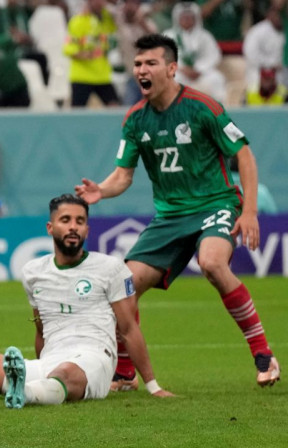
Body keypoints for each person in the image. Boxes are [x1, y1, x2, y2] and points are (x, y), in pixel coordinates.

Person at [75, 34, 280, 390]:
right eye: (137, 64)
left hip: (216, 204)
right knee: (123, 286)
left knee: (213, 263)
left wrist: (248, 211)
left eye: (150, 63)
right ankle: (124, 374)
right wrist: (101, 191)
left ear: (171, 69)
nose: (142, 70)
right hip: (169, 217)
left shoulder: (203, 107)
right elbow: (123, 175)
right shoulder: (135, 119)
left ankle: (263, 354)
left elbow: (243, 153)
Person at [0, 194, 173, 409]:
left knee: (65, 373)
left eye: (80, 221)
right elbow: (41, 331)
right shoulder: (33, 272)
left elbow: (128, 329)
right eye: (65, 220)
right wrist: (40, 365)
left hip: (93, 360)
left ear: (87, 230)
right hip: (50, 361)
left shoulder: (110, 268)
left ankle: (27, 393)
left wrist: (153, 386)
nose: (73, 226)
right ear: (50, 227)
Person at [163, 2, 227, 101]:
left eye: (190, 17)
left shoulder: (205, 36)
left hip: (201, 73)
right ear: (177, 18)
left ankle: (219, 111)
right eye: (184, 17)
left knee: (217, 78)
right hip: (179, 72)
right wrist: (182, 69)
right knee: (169, 80)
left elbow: (213, 56)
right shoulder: (168, 36)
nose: (187, 20)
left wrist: (199, 69)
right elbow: (164, 57)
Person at [63, 0, 120, 107]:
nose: (101, 3)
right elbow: (69, 49)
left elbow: (120, 21)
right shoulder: (78, 21)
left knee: (115, 108)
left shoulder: (107, 20)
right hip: (82, 76)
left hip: (102, 75)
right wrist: (89, 55)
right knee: (77, 113)